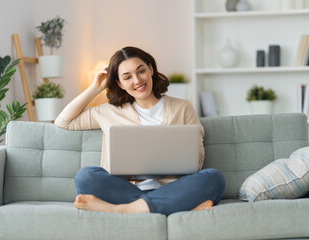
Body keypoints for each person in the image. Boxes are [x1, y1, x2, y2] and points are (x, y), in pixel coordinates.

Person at [54, 46, 225, 216]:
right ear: (119, 84)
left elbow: (197, 162)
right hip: (124, 189)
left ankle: (124, 210)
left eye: (141, 71)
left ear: (150, 69)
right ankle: (172, 207)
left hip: (172, 188)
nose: (137, 80)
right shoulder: (109, 111)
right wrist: (95, 88)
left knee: (213, 178)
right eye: (127, 77)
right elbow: (63, 122)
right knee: (86, 176)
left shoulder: (182, 107)